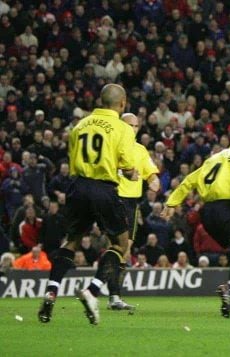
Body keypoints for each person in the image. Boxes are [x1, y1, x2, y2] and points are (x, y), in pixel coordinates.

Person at [38, 84, 137, 325]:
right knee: (120, 244)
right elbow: (128, 167)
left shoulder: (80, 125)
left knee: (70, 241)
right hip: (103, 188)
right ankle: (92, 292)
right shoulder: (122, 128)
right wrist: (132, 174)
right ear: (122, 103)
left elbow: (74, 158)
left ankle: (51, 290)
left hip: (77, 186)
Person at [161, 127, 230, 318]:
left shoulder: (215, 157)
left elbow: (189, 180)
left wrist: (172, 202)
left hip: (208, 214)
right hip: (227, 209)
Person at [106, 113, 160, 312]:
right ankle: (103, 291)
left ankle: (113, 296)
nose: (134, 129)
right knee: (116, 247)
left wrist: (153, 180)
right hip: (113, 199)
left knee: (124, 251)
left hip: (131, 204)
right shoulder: (110, 147)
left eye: (137, 126)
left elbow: (150, 171)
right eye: (130, 125)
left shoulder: (140, 150)